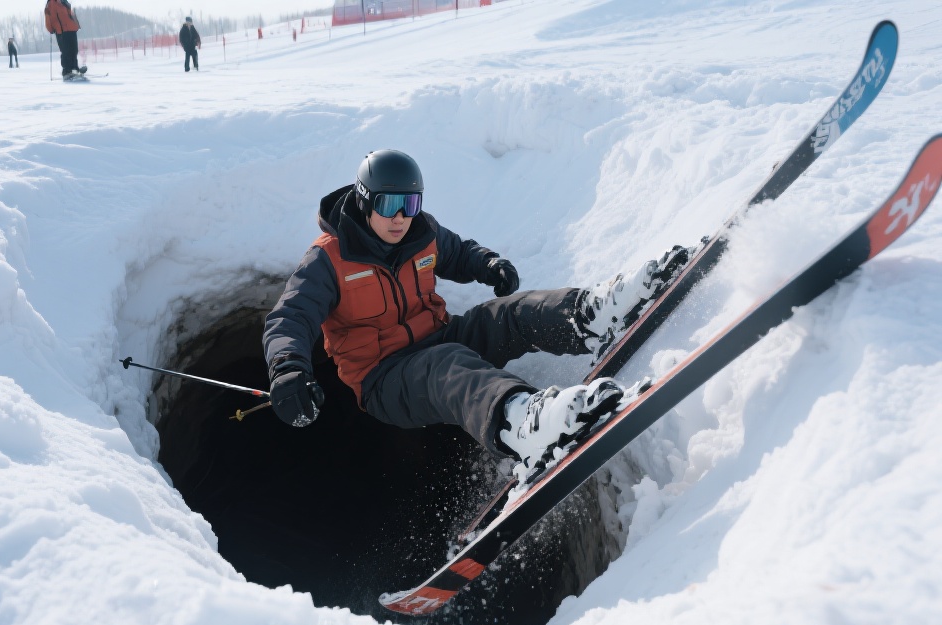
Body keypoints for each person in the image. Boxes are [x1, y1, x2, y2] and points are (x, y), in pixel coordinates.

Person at [263, 150, 685, 479]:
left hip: (439, 336)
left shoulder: (420, 230)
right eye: (390, 204)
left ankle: (593, 314)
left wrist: (487, 264)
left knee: (507, 315)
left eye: (410, 203)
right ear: (364, 199)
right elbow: (290, 317)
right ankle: (522, 424)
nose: (400, 217)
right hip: (383, 379)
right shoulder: (329, 259)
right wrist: (288, 369)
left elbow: (457, 252)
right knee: (446, 366)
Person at [44, 0, 86, 79]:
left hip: (71, 29)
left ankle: (75, 69)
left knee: (74, 50)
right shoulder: (51, 3)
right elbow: (48, 17)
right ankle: (67, 71)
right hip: (61, 31)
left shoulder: (64, 2)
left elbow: (71, 13)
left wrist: (76, 24)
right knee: (66, 51)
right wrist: (50, 29)